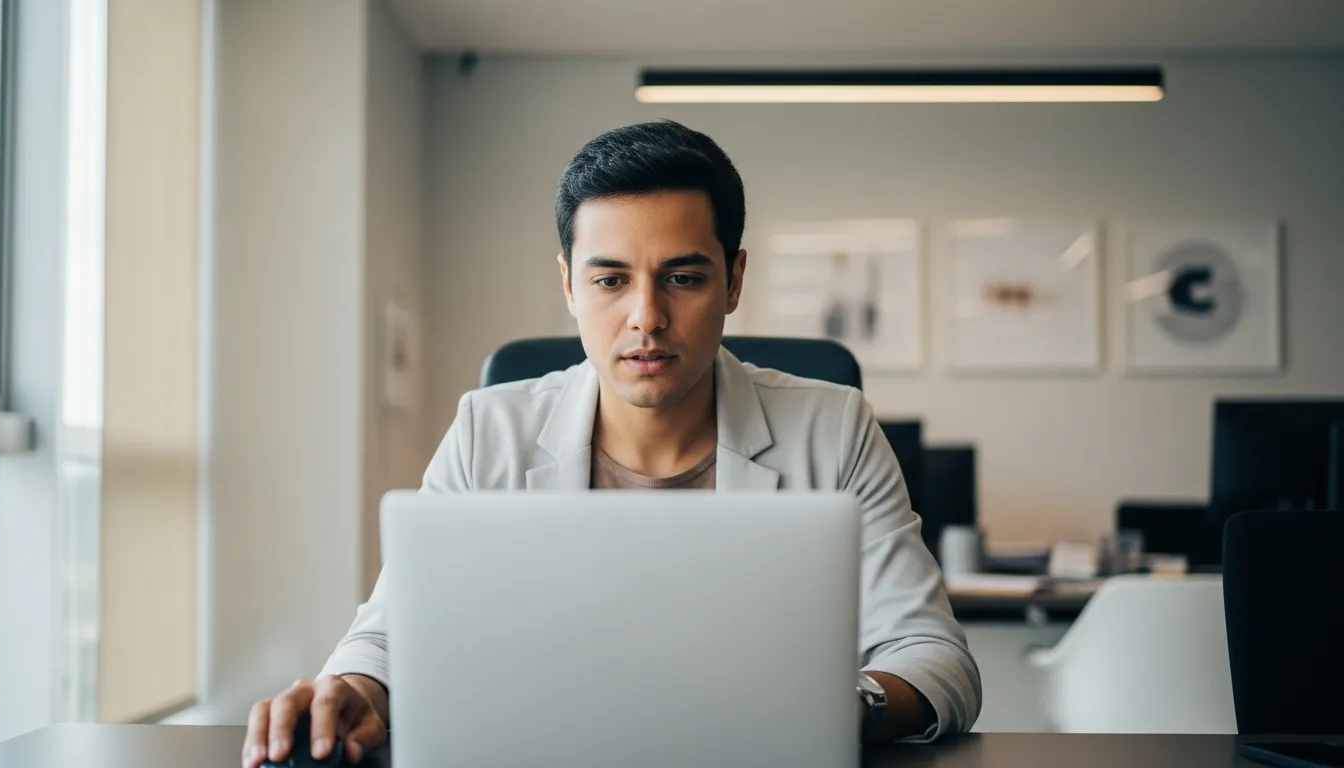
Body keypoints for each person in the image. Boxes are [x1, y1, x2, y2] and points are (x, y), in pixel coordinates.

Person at [241, 120, 981, 768]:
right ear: (569, 285)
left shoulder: (834, 427)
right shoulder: (488, 429)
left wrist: (845, 706)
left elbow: (938, 659)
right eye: (610, 280)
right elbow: (386, 633)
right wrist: (353, 691)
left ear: (734, 280)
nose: (647, 317)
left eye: (683, 277)